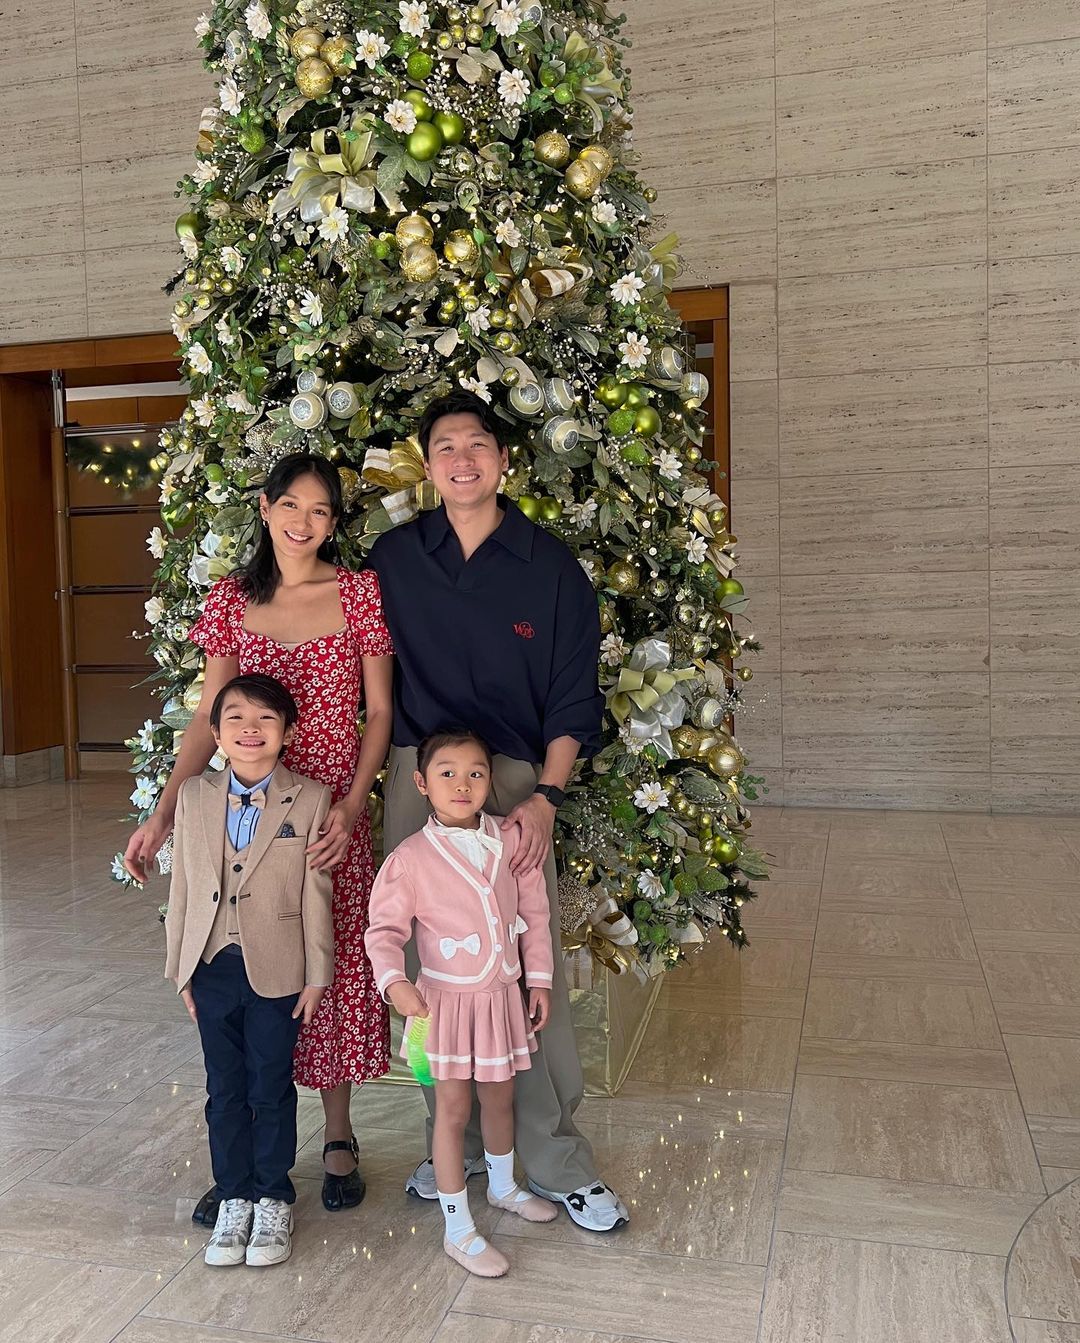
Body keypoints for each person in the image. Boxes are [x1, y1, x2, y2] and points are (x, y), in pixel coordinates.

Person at [369, 390, 628, 1232]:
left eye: (478, 443)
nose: (463, 459)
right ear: (427, 464)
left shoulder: (549, 567)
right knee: (433, 974)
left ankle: (554, 1157)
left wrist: (546, 796)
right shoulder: (394, 558)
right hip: (418, 778)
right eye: (446, 445)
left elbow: (573, 696)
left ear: (504, 460)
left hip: (514, 781)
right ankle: (458, 1145)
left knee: (521, 969)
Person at [125, 453, 394, 1220]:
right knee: (246, 972)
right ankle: (242, 1158)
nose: (304, 522)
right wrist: (164, 812)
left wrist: (351, 805)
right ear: (267, 508)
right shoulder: (231, 599)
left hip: (327, 817)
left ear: (333, 522)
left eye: (320, 510)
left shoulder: (359, 592)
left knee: (328, 963)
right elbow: (209, 717)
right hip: (245, 819)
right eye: (291, 505)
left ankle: (337, 1134)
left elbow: (380, 712)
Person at [365, 729, 559, 1277]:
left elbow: (535, 915)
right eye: (447, 773)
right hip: (437, 1012)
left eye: (475, 773)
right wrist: (394, 984)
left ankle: (503, 1187)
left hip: (500, 1000)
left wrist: (539, 980)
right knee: (450, 1112)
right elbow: (383, 931)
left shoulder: (511, 842)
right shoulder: (409, 859)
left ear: (489, 781)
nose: (462, 784)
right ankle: (457, 1228)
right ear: (422, 783)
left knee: (500, 1100)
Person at [165, 673, 334, 1267]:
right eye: (235, 718)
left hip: (279, 967)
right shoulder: (194, 795)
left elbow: (316, 891)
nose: (250, 729)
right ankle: (233, 1196)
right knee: (224, 1088)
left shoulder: (310, 797)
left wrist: (318, 973)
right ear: (215, 733)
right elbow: (183, 887)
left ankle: (273, 1198)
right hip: (211, 963)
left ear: (287, 732)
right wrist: (180, 969)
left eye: (265, 718)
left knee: (271, 1085)